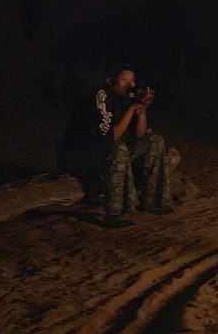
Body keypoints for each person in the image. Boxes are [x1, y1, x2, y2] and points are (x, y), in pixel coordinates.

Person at [59, 64, 172, 227]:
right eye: (124, 80)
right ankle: (113, 213)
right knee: (118, 148)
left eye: (132, 81)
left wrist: (142, 109)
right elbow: (111, 138)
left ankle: (151, 201)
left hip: (108, 151)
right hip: (82, 155)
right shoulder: (101, 97)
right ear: (110, 81)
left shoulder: (127, 98)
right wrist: (133, 106)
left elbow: (140, 135)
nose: (130, 85)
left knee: (155, 140)